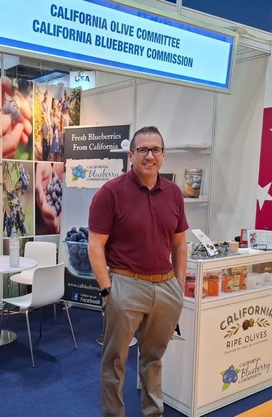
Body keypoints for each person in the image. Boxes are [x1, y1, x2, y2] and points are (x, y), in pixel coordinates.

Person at [88, 126, 188, 417]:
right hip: (125, 285)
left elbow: (180, 243)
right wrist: (107, 290)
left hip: (166, 287)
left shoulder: (174, 193)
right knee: (115, 361)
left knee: (153, 358)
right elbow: (95, 245)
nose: (149, 156)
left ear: (163, 155)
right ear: (130, 155)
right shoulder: (110, 193)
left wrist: (178, 285)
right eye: (142, 150)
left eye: (155, 150)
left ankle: (152, 412)